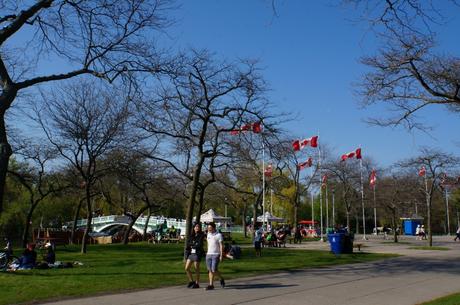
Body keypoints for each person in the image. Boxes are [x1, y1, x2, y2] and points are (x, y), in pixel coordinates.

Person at [185, 223, 205, 289]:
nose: (197, 228)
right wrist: (193, 244)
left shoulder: (201, 235)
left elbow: (199, 244)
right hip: (191, 254)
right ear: (193, 228)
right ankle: (191, 281)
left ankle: (197, 283)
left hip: (197, 253)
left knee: (196, 269)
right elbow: (188, 243)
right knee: (187, 268)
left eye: (198, 226)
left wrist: (193, 245)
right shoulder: (191, 235)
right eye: (196, 226)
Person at [205, 222, 225, 290]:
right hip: (208, 254)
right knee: (210, 270)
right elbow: (208, 244)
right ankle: (211, 284)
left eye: (210, 228)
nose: (209, 229)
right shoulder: (208, 234)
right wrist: (207, 252)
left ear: (214, 228)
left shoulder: (219, 235)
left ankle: (221, 278)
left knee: (213, 269)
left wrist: (221, 255)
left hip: (216, 254)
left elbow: (221, 246)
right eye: (208, 228)